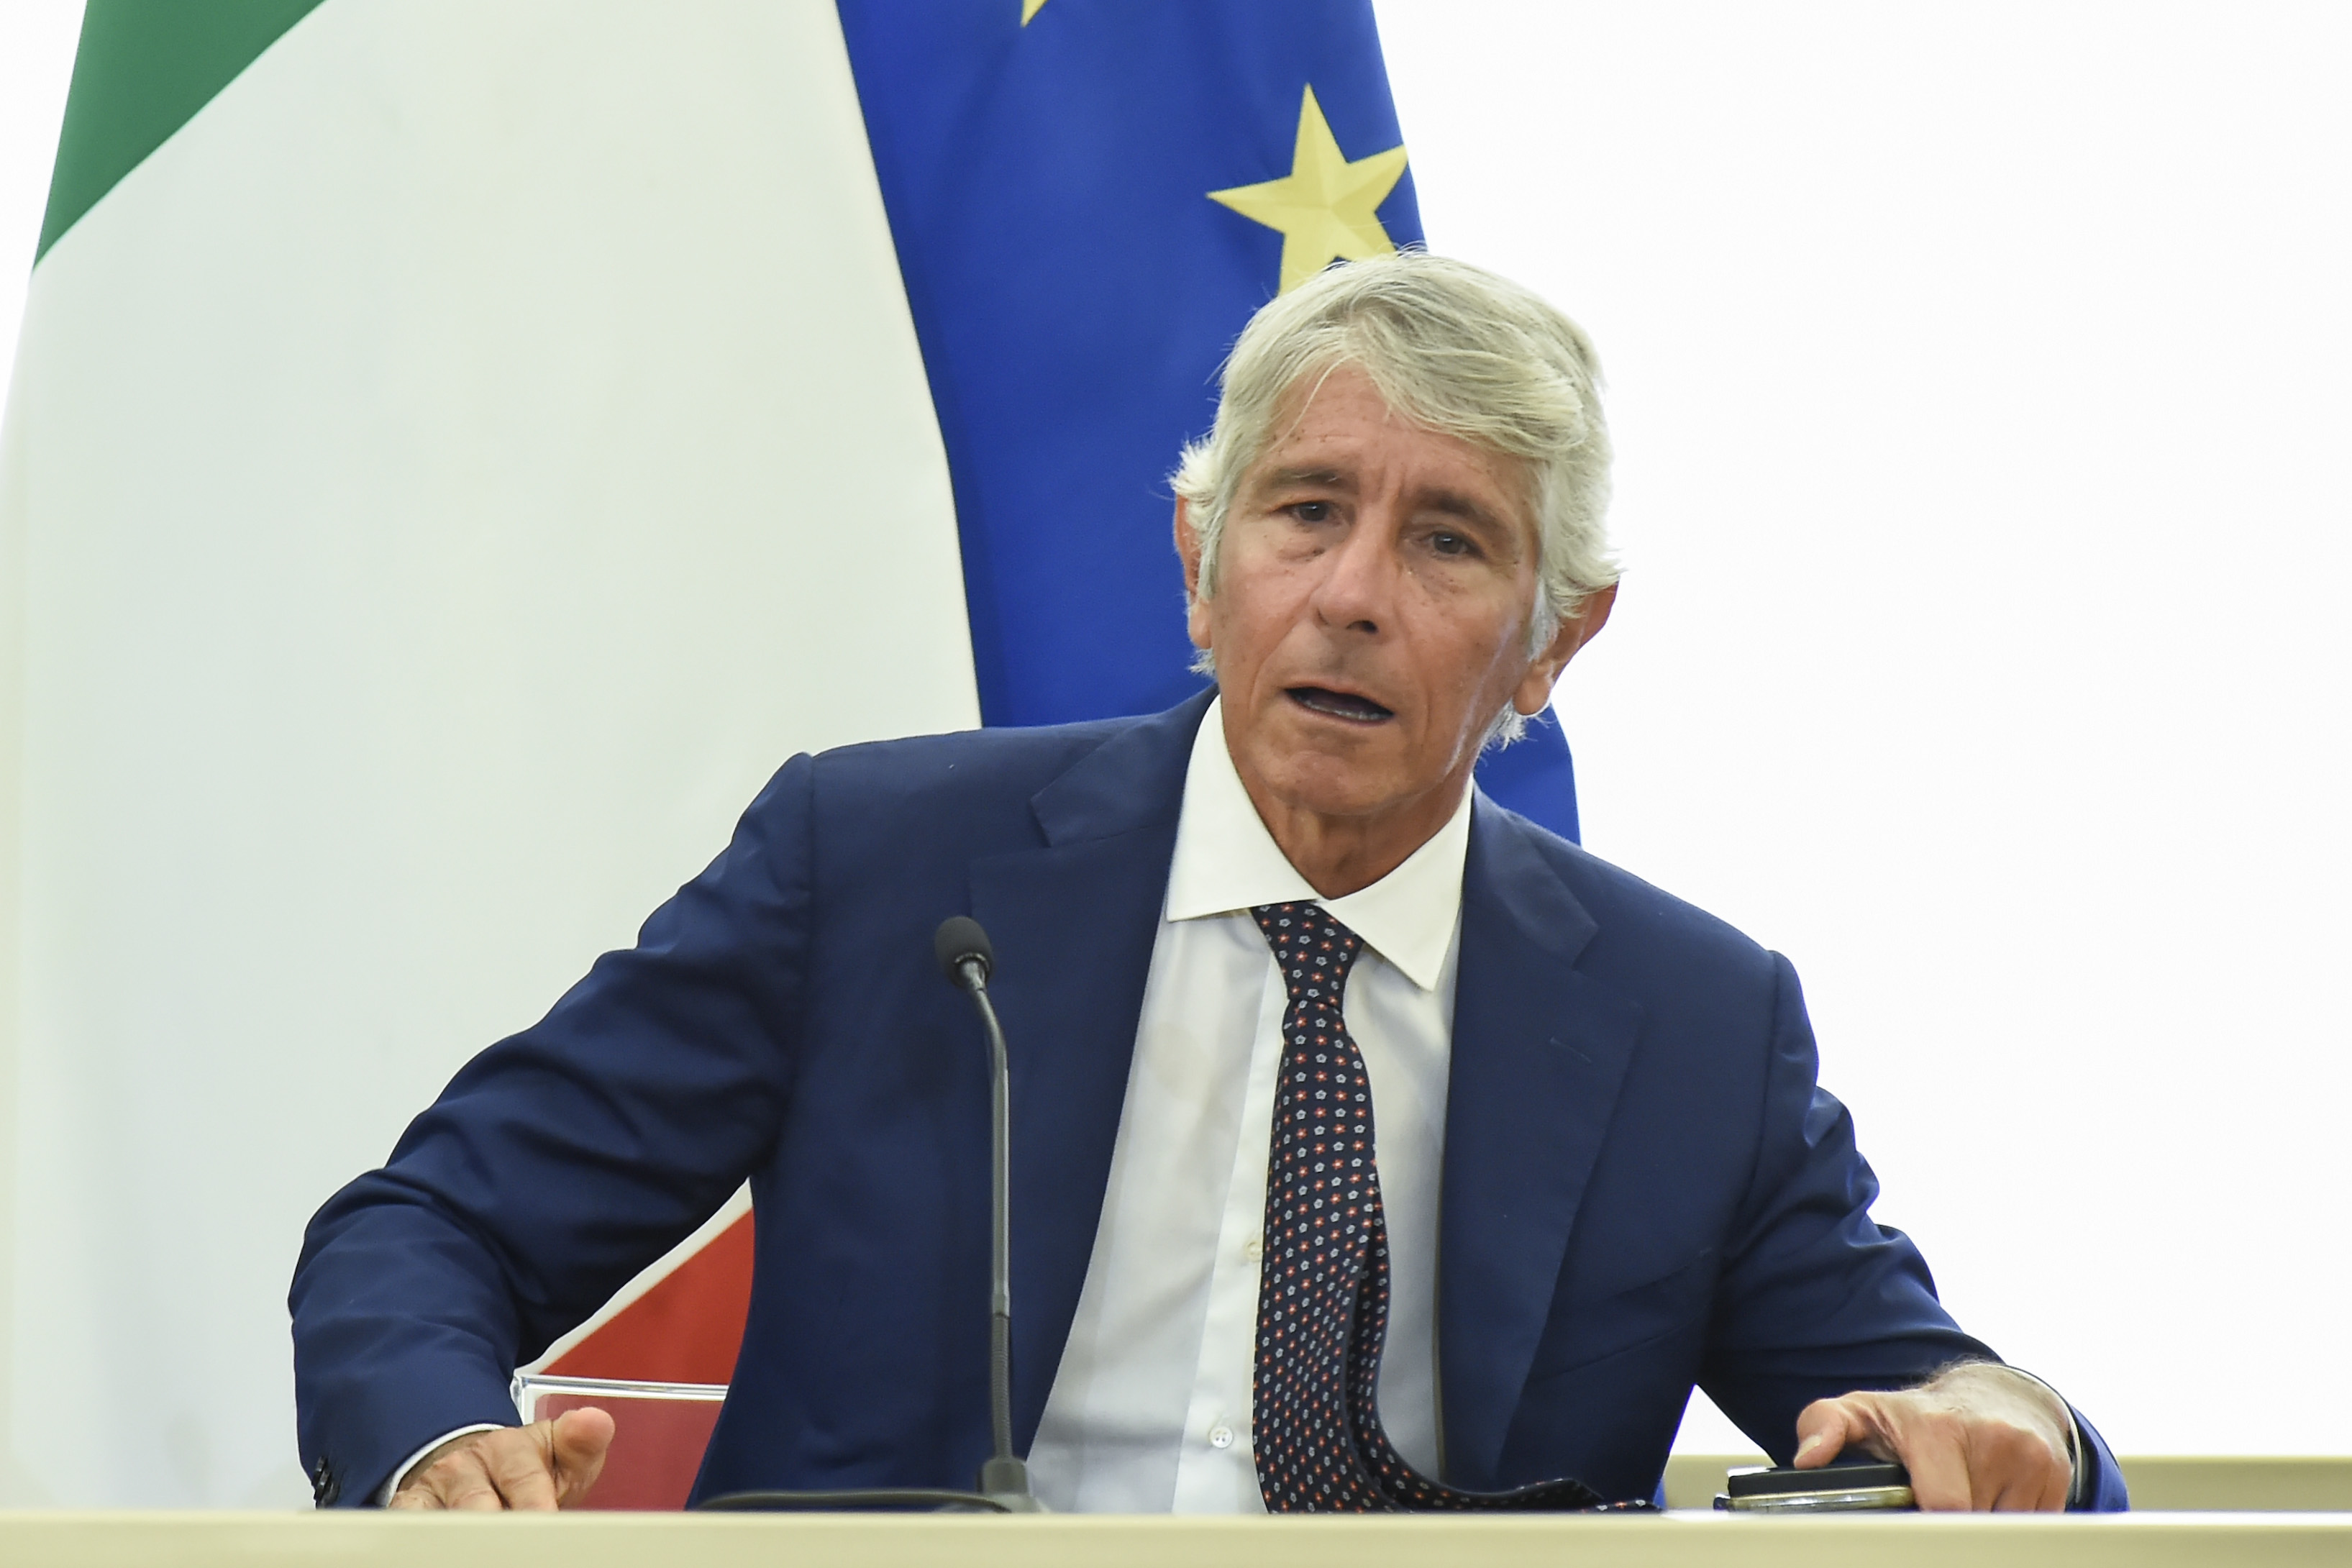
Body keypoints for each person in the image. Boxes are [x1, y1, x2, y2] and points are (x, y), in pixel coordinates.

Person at [291, 252, 2125, 1514]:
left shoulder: (1690, 1027)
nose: (1354, 594)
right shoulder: (883, 870)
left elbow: (1957, 1410)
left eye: (1449, 541)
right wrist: (441, 1436)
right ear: (1199, 560)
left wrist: (2000, 1414)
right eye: (1306, 510)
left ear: (1557, 642)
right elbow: (426, 1227)